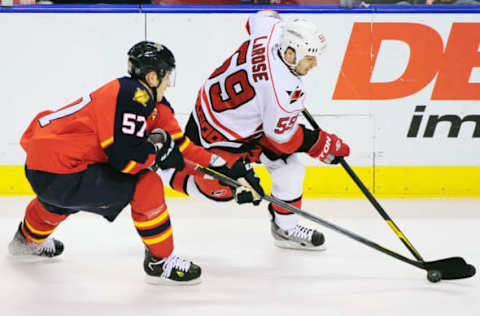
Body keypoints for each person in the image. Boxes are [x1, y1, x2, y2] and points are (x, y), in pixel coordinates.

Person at [8, 40, 262, 285]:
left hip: (46, 168)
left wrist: (228, 168)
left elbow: (182, 149)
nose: (169, 84)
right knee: (147, 183)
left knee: (62, 198)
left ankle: (26, 241)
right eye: (167, 76)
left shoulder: (142, 99)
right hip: (64, 172)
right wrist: (157, 155)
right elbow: (125, 160)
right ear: (153, 77)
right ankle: (160, 262)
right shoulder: (133, 96)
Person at [158, 10, 350, 251]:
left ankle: (286, 229)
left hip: (227, 117)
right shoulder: (282, 92)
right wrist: (320, 143)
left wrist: (279, 25)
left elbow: (260, 16)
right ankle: (161, 169)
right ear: (290, 54)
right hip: (219, 137)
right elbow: (282, 139)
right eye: (309, 58)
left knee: (290, 170)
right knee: (222, 190)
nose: (314, 64)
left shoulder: (271, 33)